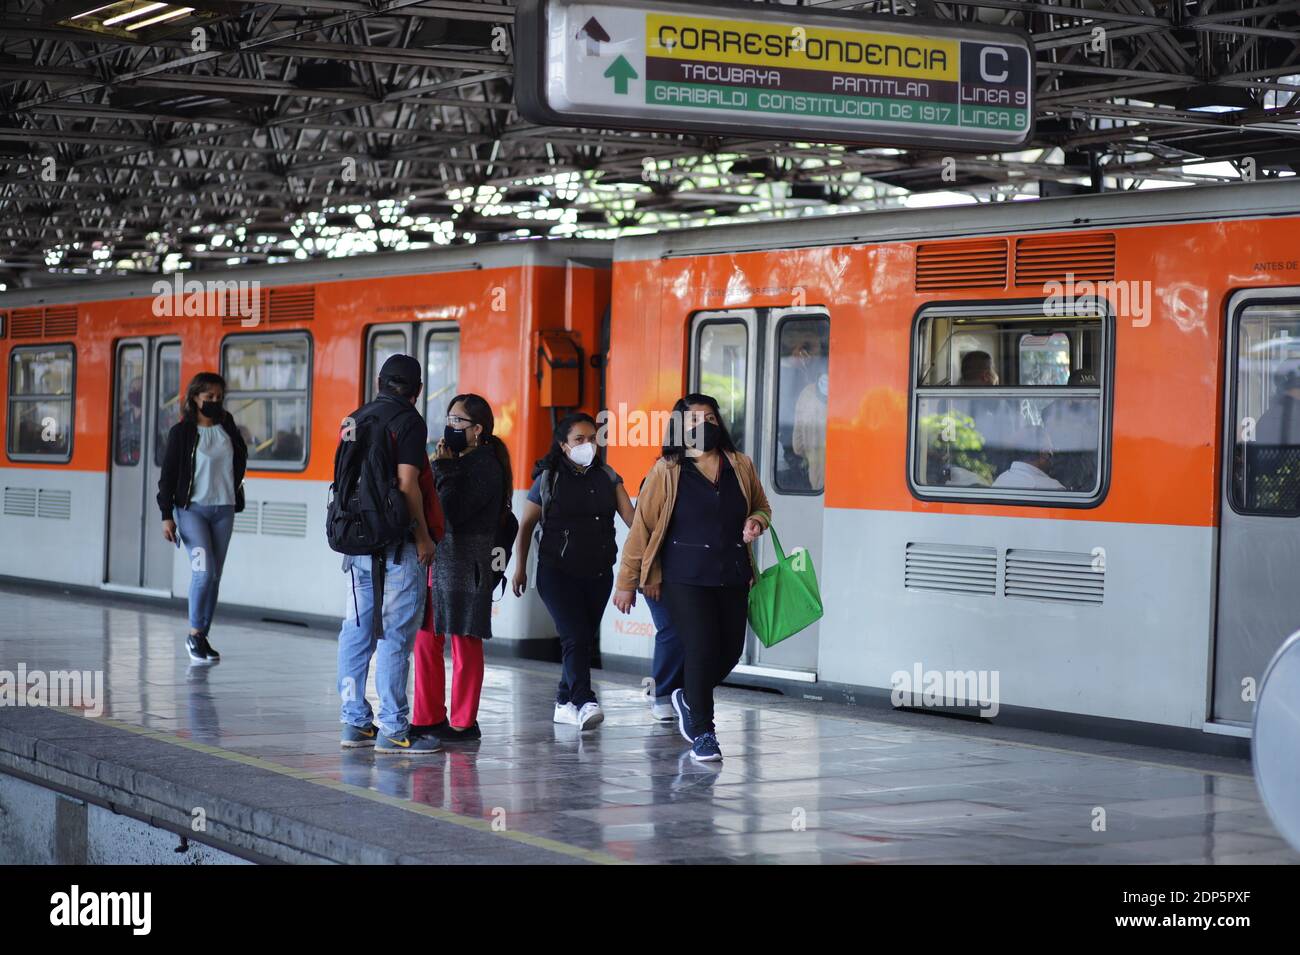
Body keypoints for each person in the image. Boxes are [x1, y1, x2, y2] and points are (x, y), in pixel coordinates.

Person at [613, 393, 771, 762]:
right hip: (683, 578)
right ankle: (703, 731)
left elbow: (762, 506)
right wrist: (627, 580)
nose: (703, 425)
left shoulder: (740, 465)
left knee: (729, 651)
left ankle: (685, 695)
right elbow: (642, 529)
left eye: (710, 418)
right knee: (700, 647)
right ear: (679, 428)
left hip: (732, 574)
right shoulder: (666, 470)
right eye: (693, 419)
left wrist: (756, 522)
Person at [335, 355, 440, 755]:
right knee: (396, 635)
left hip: (357, 543)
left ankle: (354, 721)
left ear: (379, 382)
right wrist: (423, 537)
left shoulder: (355, 417)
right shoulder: (409, 421)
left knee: (356, 631)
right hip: (396, 546)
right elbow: (407, 484)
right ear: (417, 390)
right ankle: (394, 728)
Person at [512, 413, 634, 729]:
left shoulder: (608, 477)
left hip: (598, 573)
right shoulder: (548, 478)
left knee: (580, 637)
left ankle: (563, 700)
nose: (588, 445)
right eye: (579, 439)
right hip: (557, 572)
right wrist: (520, 569)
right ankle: (583, 699)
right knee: (575, 635)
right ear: (564, 446)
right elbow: (525, 527)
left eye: (592, 438)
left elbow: (633, 521)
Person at [411, 393, 512, 744]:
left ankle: (464, 723)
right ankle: (427, 716)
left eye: (458, 421)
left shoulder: (486, 465)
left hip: (467, 567)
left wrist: (441, 466)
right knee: (426, 641)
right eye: (449, 418)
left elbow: (452, 512)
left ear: (478, 429)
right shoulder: (457, 461)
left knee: (464, 643)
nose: (450, 426)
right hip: (438, 565)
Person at [157, 372, 247, 664]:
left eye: (219, 398)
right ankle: (194, 634)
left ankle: (202, 636)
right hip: (190, 510)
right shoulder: (181, 433)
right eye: (209, 398)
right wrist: (166, 515)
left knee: (215, 576)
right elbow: (168, 477)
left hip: (224, 509)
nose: (215, 402)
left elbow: (240, 459)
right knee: (203, 572)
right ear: (194, 398)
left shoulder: (227, 426)